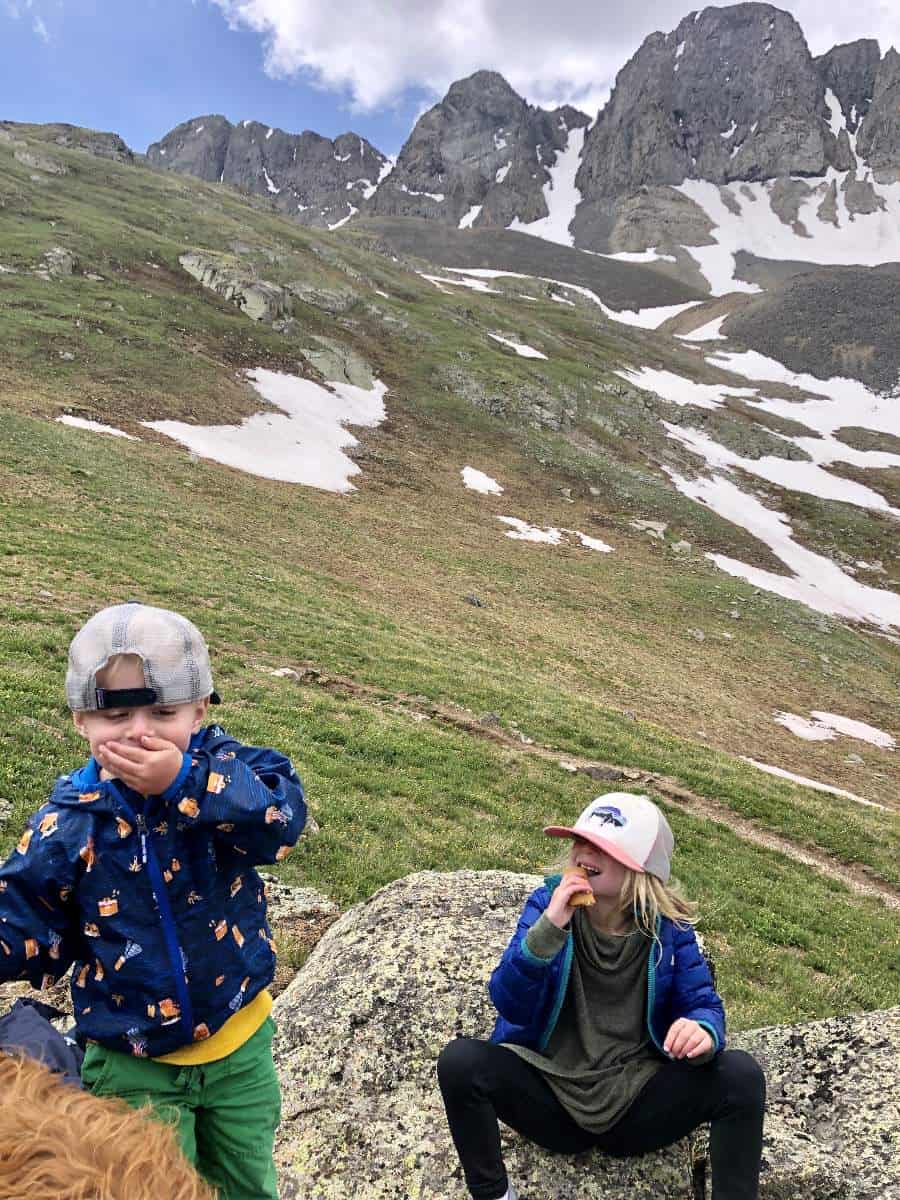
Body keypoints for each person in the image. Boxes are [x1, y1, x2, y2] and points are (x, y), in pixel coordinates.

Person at [0, 601, 306, 1200]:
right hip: (132, 1065)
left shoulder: (229, 774)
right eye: (115, 714)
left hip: (239, 1047)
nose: (140, 731)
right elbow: (23, 918)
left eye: (163, 712)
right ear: (80, 722)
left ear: (200, 710)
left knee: (250, 1185)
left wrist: (185, 784)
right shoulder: (70, 824)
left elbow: (281, 821)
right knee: (144, 1184)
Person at [437, 792, 765, 1200]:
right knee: (461, 1063)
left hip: (636, 1104)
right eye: (580, 841)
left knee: (741, 1076)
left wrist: (702, 1030)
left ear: (639, 870)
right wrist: (549, 929)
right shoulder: (547, 905)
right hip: (552, 1098)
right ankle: (494, 1196)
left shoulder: (669, 931)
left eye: (602, 847)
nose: (583, 852)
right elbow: (509, 1002)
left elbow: (702, 1004)